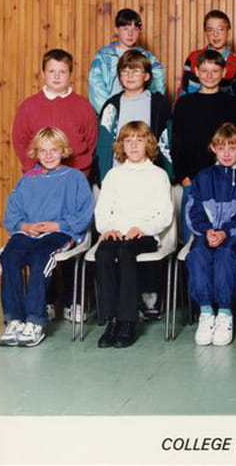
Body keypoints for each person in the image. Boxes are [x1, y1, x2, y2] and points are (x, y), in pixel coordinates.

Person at [0, 128, 93, 348]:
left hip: (59, 232)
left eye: (54, 150)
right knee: (9, 256)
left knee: (41, 257)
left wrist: (58, 225)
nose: (49, 155)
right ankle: (14, 319)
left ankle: (35, 320)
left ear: (63, 151)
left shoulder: (75, 178)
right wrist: (24, 226)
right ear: (36, 153)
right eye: (43, 151)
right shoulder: (28, 179)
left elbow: (85, 214)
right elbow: (12, 213)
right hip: (28, 231)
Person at [94, 121, 173, 349]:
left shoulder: (158, 175)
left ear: (148, 144)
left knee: (126, 251)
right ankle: (111, 320)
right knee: (103, 253)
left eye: (139, 140)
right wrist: (108, 229)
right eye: (128, 140)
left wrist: (143, 228)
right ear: (121, 145)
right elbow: (102, 212)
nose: (134, 145)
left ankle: (128, 321)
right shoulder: (113, 175)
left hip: (144, 234)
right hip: (116, 231)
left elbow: (164, 215)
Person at [185, 123, 236, 347]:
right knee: (197, 254)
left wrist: (225, 232)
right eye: (221, 148)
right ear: (213, 149)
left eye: (232, 148)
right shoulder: (203, 177)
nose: (226, 153)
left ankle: (225, 313)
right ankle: (206, 311)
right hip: (207, 231)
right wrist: (206, 230)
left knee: (224, 254)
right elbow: (192, 210)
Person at [172, 49, 236, 242]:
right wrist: (184, 178)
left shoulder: (234, 105)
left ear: (224, 73)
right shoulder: (184, 104)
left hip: (226, 182)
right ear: (196, 72)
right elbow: (176, 144)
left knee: (224, 238)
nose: (209, 75)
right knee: (193, 240)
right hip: (193, 182)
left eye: (215, 71)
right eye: (204, 70)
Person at [12, 49, 97, 178]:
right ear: (43, 74)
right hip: (39, 176)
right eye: (51, 71)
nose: (56, 76)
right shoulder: (28, 106)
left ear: (70, 74)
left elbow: (91, 141)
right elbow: (20, 142)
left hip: (75, 175)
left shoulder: (84, 106)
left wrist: (81, 171)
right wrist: (33, 170)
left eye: (62, 72)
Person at [94, 49, 173, 184]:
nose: (129, 75)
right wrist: (103, 178)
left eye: (135, 71)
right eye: (125, 71)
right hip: (118, 176)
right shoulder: (111, 106)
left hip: (150, 176)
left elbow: (166, 141)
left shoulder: (159, 104)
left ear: (146, 76)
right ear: (119, 76)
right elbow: (103, 145)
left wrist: (169, 174)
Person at [88, 8, 166, 113]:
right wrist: (110, 113)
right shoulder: (104, 57)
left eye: (135, 29)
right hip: (112, 113)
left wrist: (150, 110)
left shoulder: (148, 58)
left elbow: (158, 85)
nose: (130, 34)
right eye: (125, 29)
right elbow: (96, 89)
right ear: (116, 30)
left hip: (141, 113)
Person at [176, 9, 236, 108]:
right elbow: (182, 92)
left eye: (220, 29)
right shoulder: (193, 58)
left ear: (228, 31)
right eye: (210, 30)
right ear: (205, 32)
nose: (215, 34)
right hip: (193, 112)